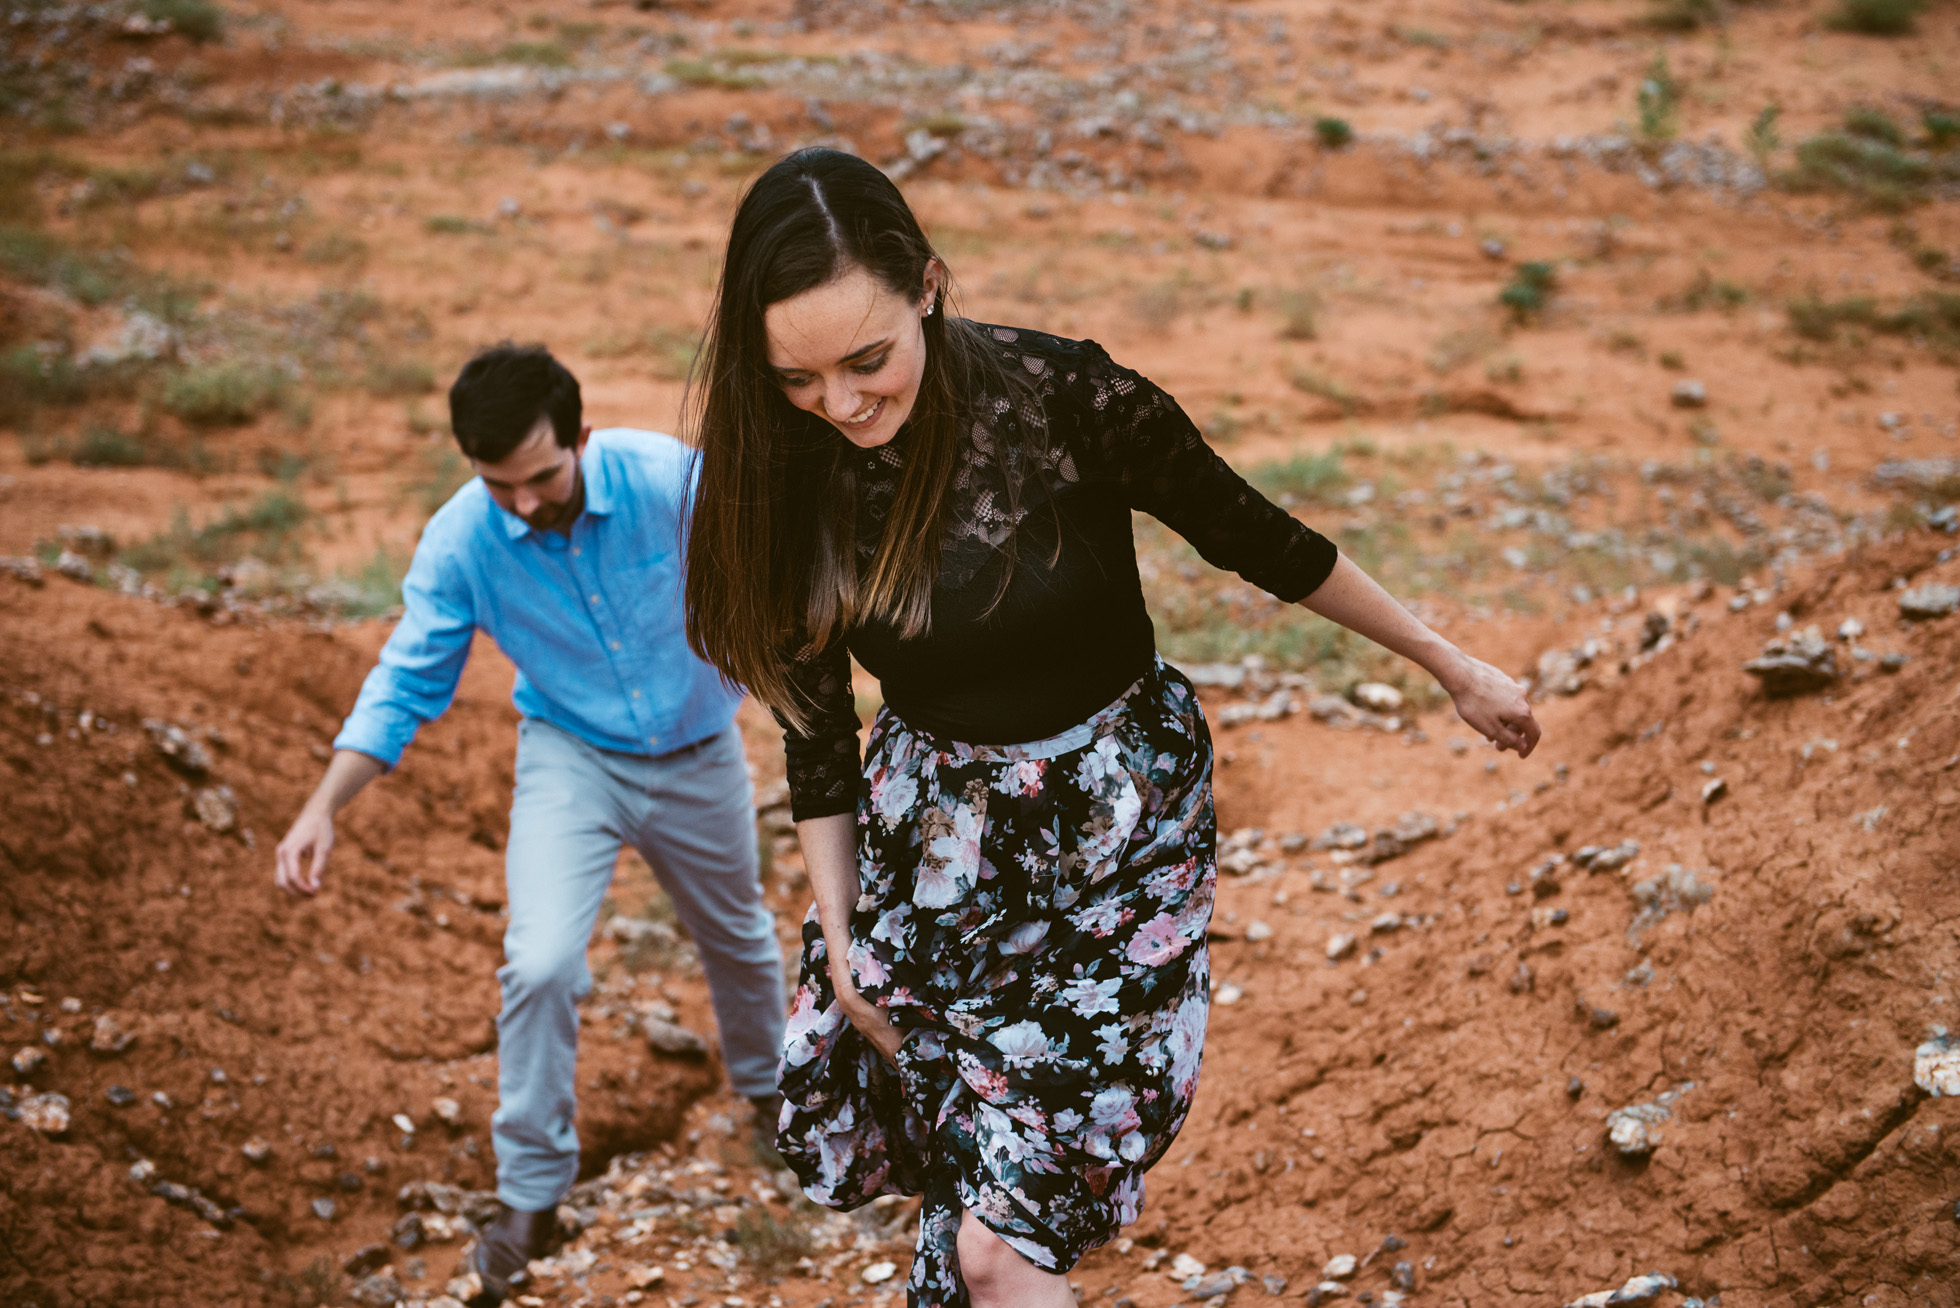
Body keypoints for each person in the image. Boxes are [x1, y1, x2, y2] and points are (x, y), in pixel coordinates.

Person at [681, 148, 1544, 1308]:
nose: (839, 405)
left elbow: (1255, 535)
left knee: (997, 1244)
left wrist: (1446, 663)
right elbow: (819, 736)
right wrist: (842, 947)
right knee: (969, 1220)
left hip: (1120, 832)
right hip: (941, 857)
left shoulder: (1064, 398)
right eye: (797, 377)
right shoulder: (788, 471)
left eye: (867, 361)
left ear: (927, 284)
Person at [273, 345, 786, 1306]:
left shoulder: (670, 480)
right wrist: (321, 808)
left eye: (542, 477)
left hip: (699, 747)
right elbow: (406, 680)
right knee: (540, 961)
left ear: (581, 437)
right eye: (496, 483)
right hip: (571, 756)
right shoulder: (463, 540)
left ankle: (769, 1095)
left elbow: (780, 569)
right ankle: (531, 1191)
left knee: (740, 934)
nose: (522, 503)